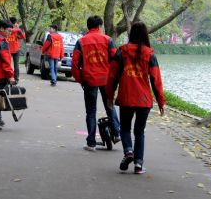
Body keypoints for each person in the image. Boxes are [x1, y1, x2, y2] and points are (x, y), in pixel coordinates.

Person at [105, 21, 166, 174]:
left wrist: (109, 96)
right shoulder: (150, 54)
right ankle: (138, 164)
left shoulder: (121, 52)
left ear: (131, 33)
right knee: (140, 132)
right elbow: (156, 79)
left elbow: (112, 76)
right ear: (145, 35)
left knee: (125, 128)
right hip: (144, 100)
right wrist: (160, 102)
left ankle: (128, 151)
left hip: (126, 97)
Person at [71, 15, 121, 151]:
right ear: (99, 26)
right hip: (106, 80)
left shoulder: (81, 42)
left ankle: (91, 142)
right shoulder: (108, 40)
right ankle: (116, 133)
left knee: (91, 111)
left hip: (89, 79)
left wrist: (80, 78)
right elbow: (116, 60)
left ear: (88, 27)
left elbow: (75, 63)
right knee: (110, 106)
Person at [6, 17, 26, 81]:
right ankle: (16, 78)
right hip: (16, 49)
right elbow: (22, 37)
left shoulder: (6, 29)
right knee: (16, 65)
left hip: (7, 49)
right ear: (15, 22)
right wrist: (18, 29)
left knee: (7, 64)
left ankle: (8, 77)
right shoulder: (17, 30)